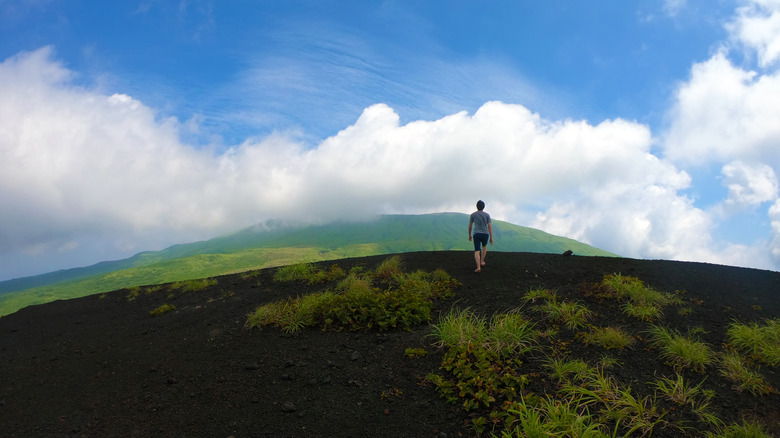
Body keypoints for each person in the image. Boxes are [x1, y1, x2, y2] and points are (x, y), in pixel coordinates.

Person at [468, 200, 493, 272]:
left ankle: (478, 267)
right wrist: (491, 237)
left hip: (476, 234)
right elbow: (490, 227)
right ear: (484, 207)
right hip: (485, 233)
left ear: (477, 206)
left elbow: (470, 226)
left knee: (477, 250)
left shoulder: (473, 215)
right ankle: (482, 261)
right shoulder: (487, 215)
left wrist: (469, 235)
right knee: (484, 246)